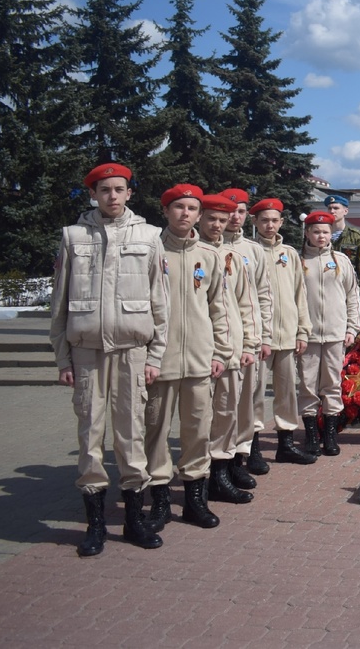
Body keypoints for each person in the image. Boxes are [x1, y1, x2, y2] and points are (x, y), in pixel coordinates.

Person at [51, 162, 169, 556]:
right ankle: (95, 524)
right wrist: (63, 359)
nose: (112, 196)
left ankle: (134, 520)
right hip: (86, 355)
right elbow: (60, 305)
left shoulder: (151, 236)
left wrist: (155, 356)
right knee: (89, 436)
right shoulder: (73, 237)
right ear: (93, 194)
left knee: (132, 435)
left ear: (130, 193)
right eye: (104, 190)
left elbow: (159, 303)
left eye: (119, 189)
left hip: (132, 354)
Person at [142, 184, 229, 532]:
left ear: (199, 213)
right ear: (165, 211)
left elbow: (219, 308)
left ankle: (195, 499)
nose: (185, 214)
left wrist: (221, 352)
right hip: (158, 362)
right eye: (178, 207)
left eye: (192, 208)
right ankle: (160, 500)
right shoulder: (150, 252)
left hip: (198, 359)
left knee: (197, 432)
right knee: (156, 431)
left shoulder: (208, 256)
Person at [199, 194, 258, 504]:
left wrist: (249, 343)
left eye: (223, 219)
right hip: (196, 348)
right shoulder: (185, 252)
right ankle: (197, 477)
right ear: (200, 218)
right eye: (212, 218)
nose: (218, 224)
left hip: (231, 348)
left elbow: (248, 304)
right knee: (198, 416)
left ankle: (221, 474)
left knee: (226, 412)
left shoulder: (235, 257)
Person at [252, 198, 316, 464]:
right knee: (255, 394)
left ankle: (286, 443)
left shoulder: (289, 254)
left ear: (281, 222)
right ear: (254, 222)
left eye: (274, 220)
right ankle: (253, 448)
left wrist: (303, 330)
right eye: (264, 220)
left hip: (288, 334)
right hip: (258, 337)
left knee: (287, 391)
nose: (269, 225)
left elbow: (300, 295)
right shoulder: (250, 251)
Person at [220, 188, 273, 479]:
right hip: (221, 341)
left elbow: (264, 296)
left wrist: (264, 337)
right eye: (230, 211)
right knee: (224, 403)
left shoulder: (254, 250)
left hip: (250, 339)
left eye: (241, 211)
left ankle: (245, 453)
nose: (235, 217)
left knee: (250, 399)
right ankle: (223, 460)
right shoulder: (208, 245)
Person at [300, 211, 360, 456]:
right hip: (308, 336)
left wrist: (352, 327)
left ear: (330, 234)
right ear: (307, 234)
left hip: (336, 333)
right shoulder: (298, 260)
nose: (320, 236)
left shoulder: (341, 261)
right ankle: (311, 436)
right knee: (307, 385)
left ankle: (330, 435)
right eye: (315, 231)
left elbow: (352, 296)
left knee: (332, 385)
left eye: (324, 232)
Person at [324, 194, 360, 300]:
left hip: (349, 292)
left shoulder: (355, 236)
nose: (332, 211)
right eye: (329, 208)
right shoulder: (321, 235)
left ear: (345, 211)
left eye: (336, 208)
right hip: (325, 292)